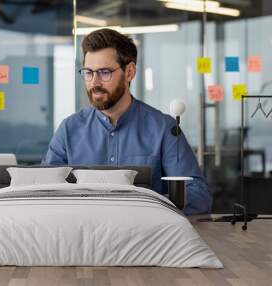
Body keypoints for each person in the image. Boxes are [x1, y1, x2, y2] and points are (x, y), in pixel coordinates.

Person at [42, 28, 211, 215]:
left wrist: (142, 203)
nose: (94, 83)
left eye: (104, 72)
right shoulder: (69, 130)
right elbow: (44, 191)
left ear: (129, 72)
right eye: (88, 72)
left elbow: (199, 196)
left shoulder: (164, 128)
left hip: (145, 237)